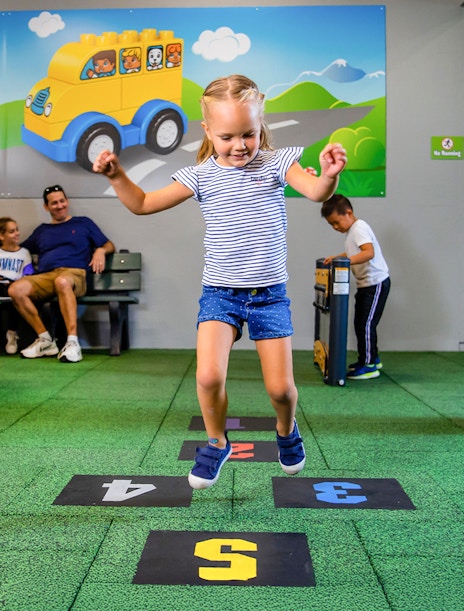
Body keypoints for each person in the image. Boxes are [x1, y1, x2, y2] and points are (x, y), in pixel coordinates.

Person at [93, 74, 347, 489]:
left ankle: (286, 431)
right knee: (209, 377)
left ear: (261, 123)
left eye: (249, 133)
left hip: (269, 296)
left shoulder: (277, 163)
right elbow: (141, 203)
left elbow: (317, 191)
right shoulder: (200, 176)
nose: (240, 145)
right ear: (208, 131)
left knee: (282, 390)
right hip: (220, 294)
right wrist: (117, 174)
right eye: (228, 136)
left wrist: (331, 175)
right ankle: (216, 441)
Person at [8, 185, 115, 363]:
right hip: (46, 276)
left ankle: (72, 343)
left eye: (62, 201)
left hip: (74, 274)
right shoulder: (41, 230)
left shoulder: (83, 223)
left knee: (62, 281)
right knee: (16, 290)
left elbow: (109, 244)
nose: (59, 206)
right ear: (46, 207)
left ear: (67, 201)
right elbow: (19, 250)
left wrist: (101, 251)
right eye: (54, 203)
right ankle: (45, 339)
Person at [321, 194, 390, 380]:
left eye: (337, 222)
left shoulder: (358, 228)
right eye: (331, 225)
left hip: (375, 283)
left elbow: (368, 252)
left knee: (365, 324)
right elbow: (354, 251)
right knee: (362, 324)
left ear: (349, 213)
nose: (336, 227)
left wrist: (344, 262)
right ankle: (371, 358)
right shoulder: (353, 231)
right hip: (366, 284)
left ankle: (368, 365)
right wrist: (338, 257)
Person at [0, 217, 34, 354]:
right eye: (12, 231)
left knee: (16, 294)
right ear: (2, 236)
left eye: (17, 230)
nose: (17, 234)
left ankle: (12, 334)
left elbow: (28, 274)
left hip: (14, 287)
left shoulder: (24, 253)